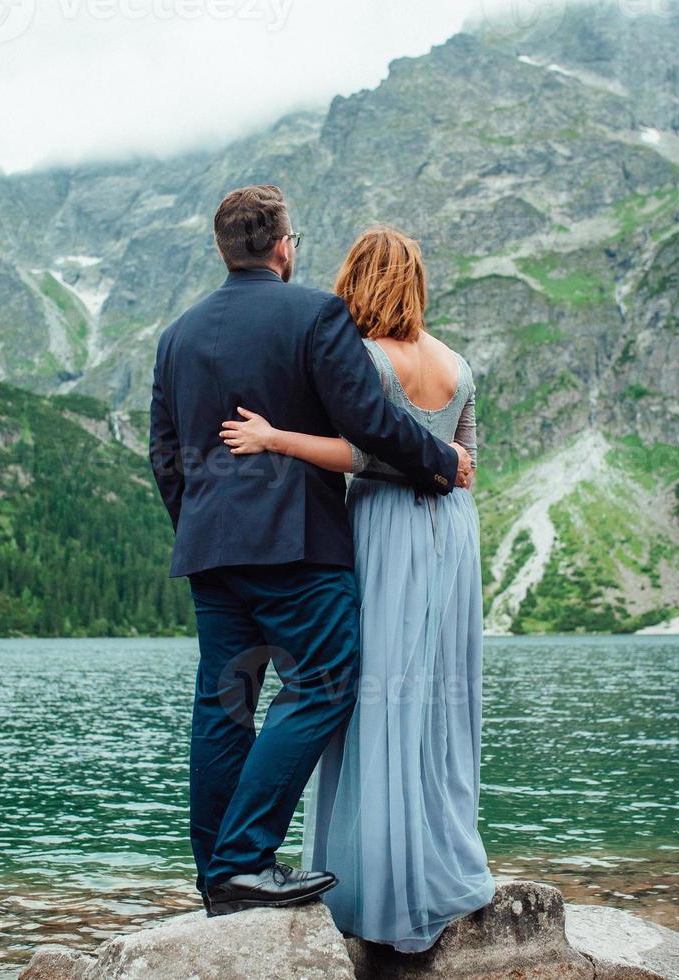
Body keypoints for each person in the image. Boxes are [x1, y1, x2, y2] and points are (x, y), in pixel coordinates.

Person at [148, 186, 473, 918]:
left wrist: (200, 526)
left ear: (224, 247)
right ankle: (244, 862)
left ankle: (217, 879)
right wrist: (441, 461)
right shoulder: (314, 314)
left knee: (225, 702)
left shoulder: (177, 335)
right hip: (299, 549)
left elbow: (163, 456)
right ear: (285, 246)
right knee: (323, 684)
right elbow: (370, 421)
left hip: (212, 552)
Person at [220, 226, 494, 951]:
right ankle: (441, 859)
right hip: (453, 533)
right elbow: (466, 462)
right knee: (438, 695)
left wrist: (276, 438)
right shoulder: (457, 363)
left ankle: (369, 884)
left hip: (384, 530)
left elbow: (363, 453)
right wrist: (440, 464)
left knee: (376, 696)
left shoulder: (363, 358)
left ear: (358, 281)